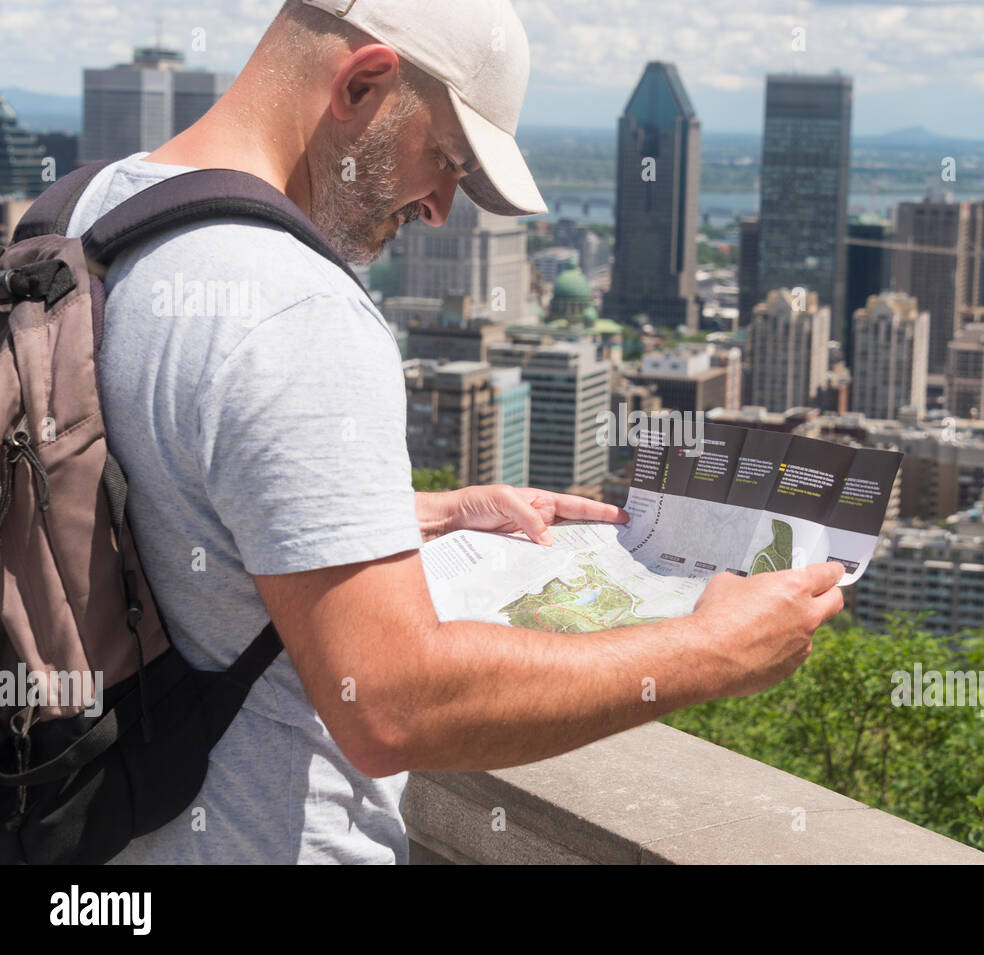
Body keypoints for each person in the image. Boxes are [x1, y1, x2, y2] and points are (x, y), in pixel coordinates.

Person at [67, 0, 844, 864]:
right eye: (446, 158)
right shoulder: (298, 308)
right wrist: (713, 650)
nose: (440, 208)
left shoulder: (81, 213)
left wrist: (415, 513)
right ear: (363, 82)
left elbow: (158, 494)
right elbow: (392, 706)